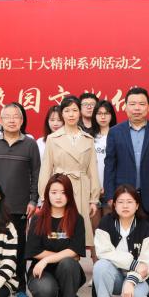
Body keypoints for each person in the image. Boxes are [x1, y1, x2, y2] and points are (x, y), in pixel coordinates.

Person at [0, 103, 41, 297]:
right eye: (7, 117)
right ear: (1, 120)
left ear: (22, 120)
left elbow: (36, 174)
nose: (12, 120)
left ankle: (19, 287)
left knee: (18, 247)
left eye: (16, 116)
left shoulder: (30, 144)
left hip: (20, 206)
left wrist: (33, 200)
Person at [105, 88, 149, 233]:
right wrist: (110, 195)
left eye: (141, 104)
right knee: (123, 237)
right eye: (132, 104)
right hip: (123, 197)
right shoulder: (115, 132)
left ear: (148, 107)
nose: (137, 108)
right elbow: (110, 166)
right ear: (125, 107)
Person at [26, 174, 87, 297]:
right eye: (54, 192)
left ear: (69, 195)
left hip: (67, 270)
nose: (58, 197)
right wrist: (65, 255)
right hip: (42, 271)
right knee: (46, 292)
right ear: (47, 194)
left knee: (68, 263)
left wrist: (47, 259)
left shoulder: (77, 219)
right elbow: (34, 251)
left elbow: (75, 252)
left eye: (63, 192)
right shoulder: (37, 218)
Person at [92, 184, 149, 297]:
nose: (125, 206)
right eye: (120, 202)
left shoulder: (146, 228)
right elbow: (103, 252)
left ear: (137, 205)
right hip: (114, 276)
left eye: (129, 202)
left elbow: (147, 264)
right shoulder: (106, 222)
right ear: (114, 205)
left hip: (138, 278)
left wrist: (130, 280)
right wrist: (133, 264)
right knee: (100, 266)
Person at [41, 96, 101, 245]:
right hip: (59, 189)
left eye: (74, 110)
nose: (71, 114)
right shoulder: (53, 138)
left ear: (80, 112)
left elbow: (93, 171)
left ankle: (76, 258)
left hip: (81, 189)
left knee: (78, 232)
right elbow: (46, 169)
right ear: (62, 114)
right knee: (59, 231)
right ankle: (60, 257)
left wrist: (94, 199)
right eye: (67, 111)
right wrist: (43, 197)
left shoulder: (88, 139)